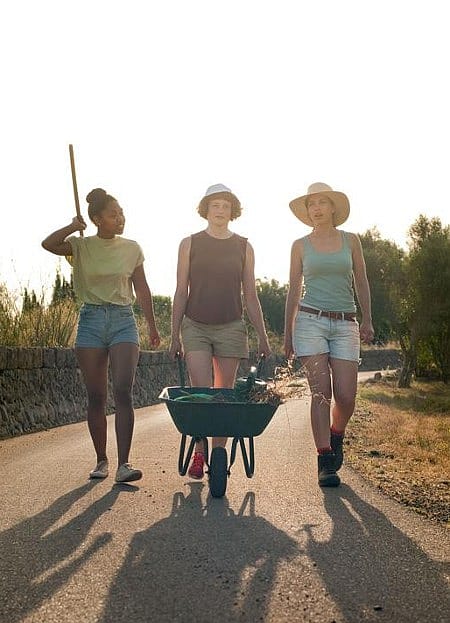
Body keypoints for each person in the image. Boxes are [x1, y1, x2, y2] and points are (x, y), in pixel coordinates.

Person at [42, 188, 160, 483]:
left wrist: (153, 326)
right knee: (96, 396)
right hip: (91, 320)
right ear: (96, 219)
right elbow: (48, 244)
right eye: (113, 214)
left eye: (121, 213)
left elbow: (142, 289)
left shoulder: (132, 247)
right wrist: (72, 226)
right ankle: (102, 461)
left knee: (123, 390)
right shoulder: (81, 246)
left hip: (123, 320)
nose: (120, 218)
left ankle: (124, 464)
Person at [169, 183, 271, 479]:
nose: (220, 210)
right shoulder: (189, 243)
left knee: (224, 395)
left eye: (226, 206)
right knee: (201, 393)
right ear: (206, 209)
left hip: (231, 326)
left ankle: (218, 451)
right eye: (215, 205)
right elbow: (180, 291)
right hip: (195, 325)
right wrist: (174, 334)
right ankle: (200, 452)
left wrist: (263, 336)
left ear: (232, 211)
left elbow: (250, 295)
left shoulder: (244, 246)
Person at [284, 182, 374, 488]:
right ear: (308, 211)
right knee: (321, 392)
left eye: (323, 203)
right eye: (312, 204)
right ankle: (324, 460)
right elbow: (293, 291)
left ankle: (337, 433)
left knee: (346, 396)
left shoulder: (351, 241)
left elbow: (361, 281)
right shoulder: (299, 245)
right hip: (310, 322)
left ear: (333, 207)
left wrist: (368, 319)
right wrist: (287, 335)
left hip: (346, 322)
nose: (317, 209)